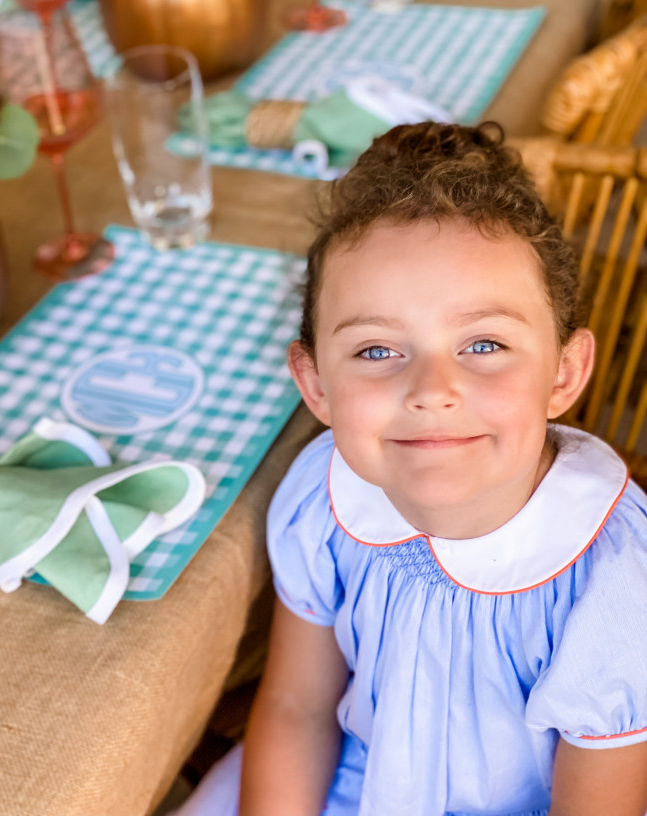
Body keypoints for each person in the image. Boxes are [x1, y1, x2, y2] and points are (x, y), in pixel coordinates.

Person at [173, 123, 647, 816]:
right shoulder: (323, 499)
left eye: (483, 343)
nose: (432, 388)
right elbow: (298, 708)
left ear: (564, 373)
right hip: (356, 784)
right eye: (375, 350)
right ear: (316, 385)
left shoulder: (612, 582)